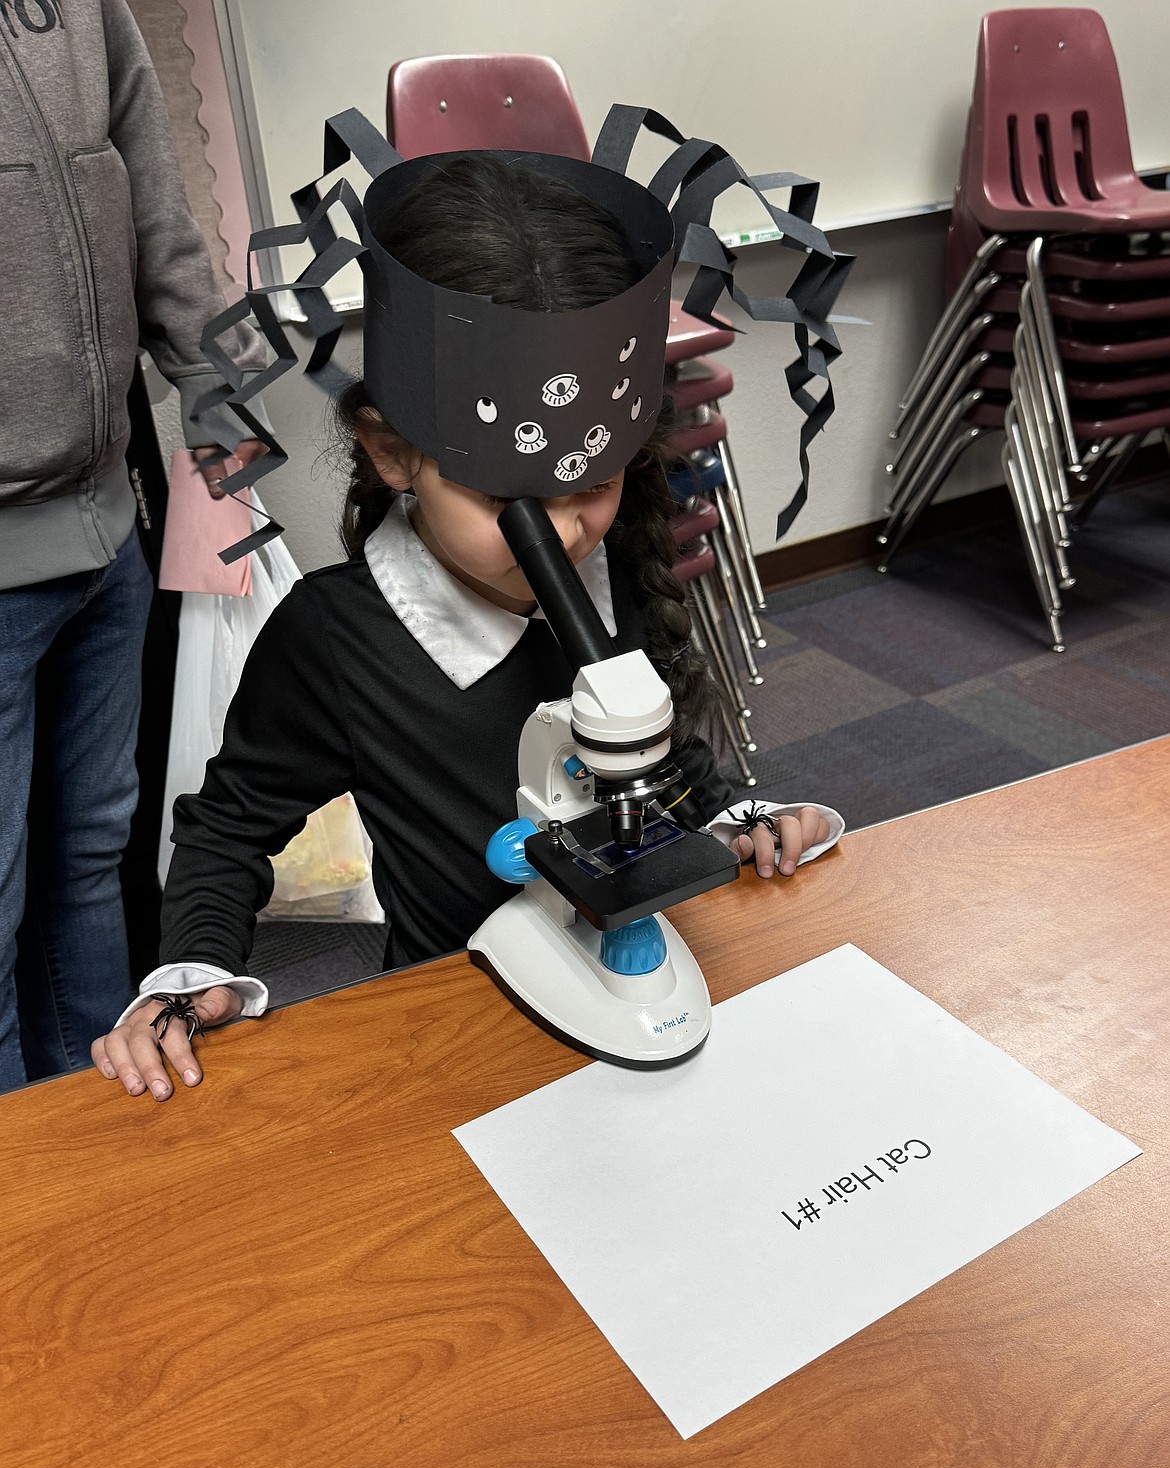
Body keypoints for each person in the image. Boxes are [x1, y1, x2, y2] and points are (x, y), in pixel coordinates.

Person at [91, 152, 845, 1102]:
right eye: (513, 500)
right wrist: (191, 973)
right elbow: (225, 832)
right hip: (461, 1025)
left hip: (625, 994)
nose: (566, 533)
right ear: (392, 452)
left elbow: (666, 767)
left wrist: (738, 815)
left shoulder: (609, 569)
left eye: (596, 486)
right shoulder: (336, 638)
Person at [0, 0, 266, 1090]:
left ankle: (99, 1144)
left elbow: (154, 200)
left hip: (105, 523)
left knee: (90, 861)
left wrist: (220, 392)